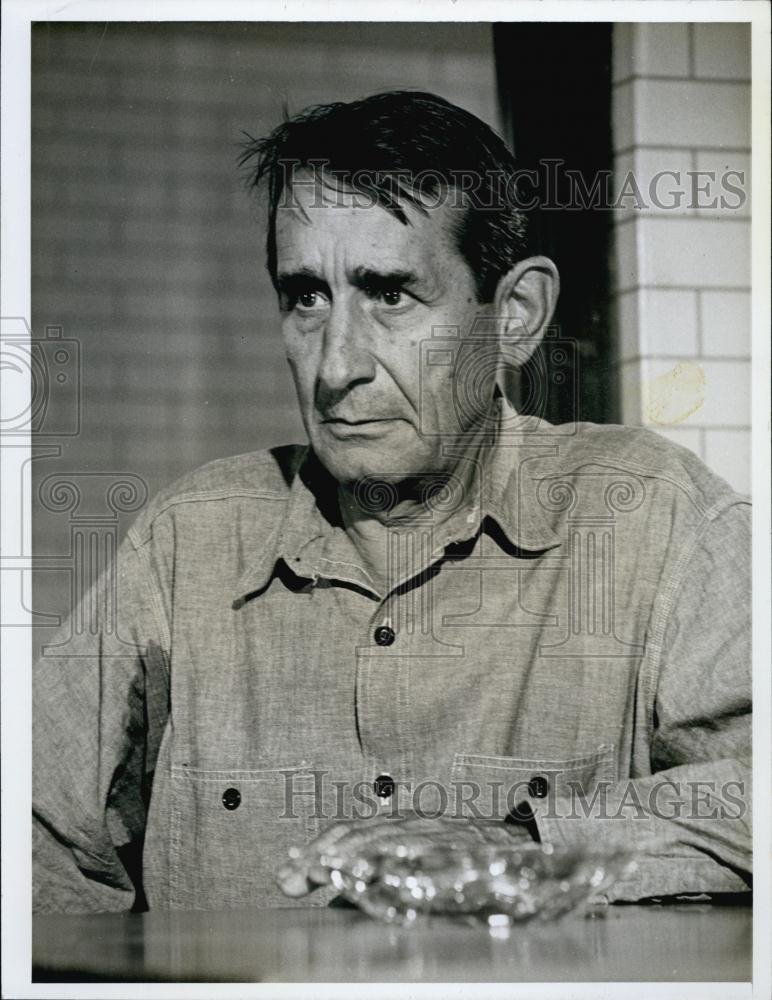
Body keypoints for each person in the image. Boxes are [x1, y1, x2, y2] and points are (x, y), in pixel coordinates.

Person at [33, 91, 751, 914]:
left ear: (514, 316)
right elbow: (30, 841)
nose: (336, 366)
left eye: (390, 295)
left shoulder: (652, 520)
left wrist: (525, 845)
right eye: (305, 296)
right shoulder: (185, 543)